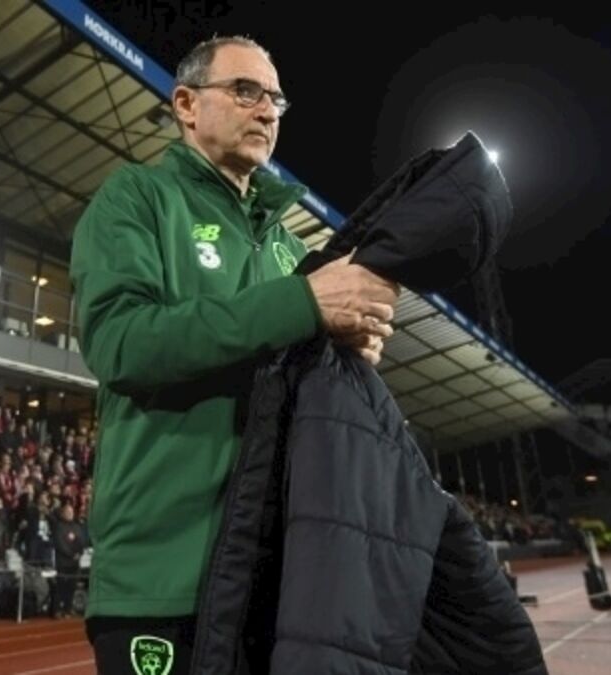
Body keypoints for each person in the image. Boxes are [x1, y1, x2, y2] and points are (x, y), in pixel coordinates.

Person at [70, 35, 400, 672]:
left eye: (276, 99)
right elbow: (121, 343)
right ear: (186, 104)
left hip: (279, 582)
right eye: (246, 91)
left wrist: (347, 349)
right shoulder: (136, 197)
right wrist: (304, 303)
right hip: (166, 577)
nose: (267, 110)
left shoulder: (289, 250)